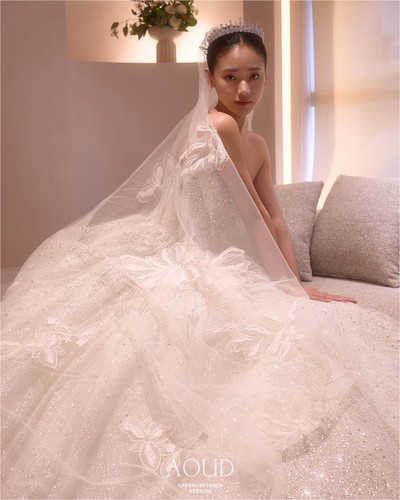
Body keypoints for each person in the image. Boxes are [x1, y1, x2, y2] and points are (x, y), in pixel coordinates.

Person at [1, 21, 398, 499]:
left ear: (267, 76)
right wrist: (291, 291)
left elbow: (275, 220)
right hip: (195, 260)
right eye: (231, 77)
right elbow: (251, 219)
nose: (244, 89)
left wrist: (296, 285)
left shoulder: (257, 143)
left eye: (254, 76)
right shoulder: (220, 126)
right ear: (210, 78)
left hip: (225, 260)